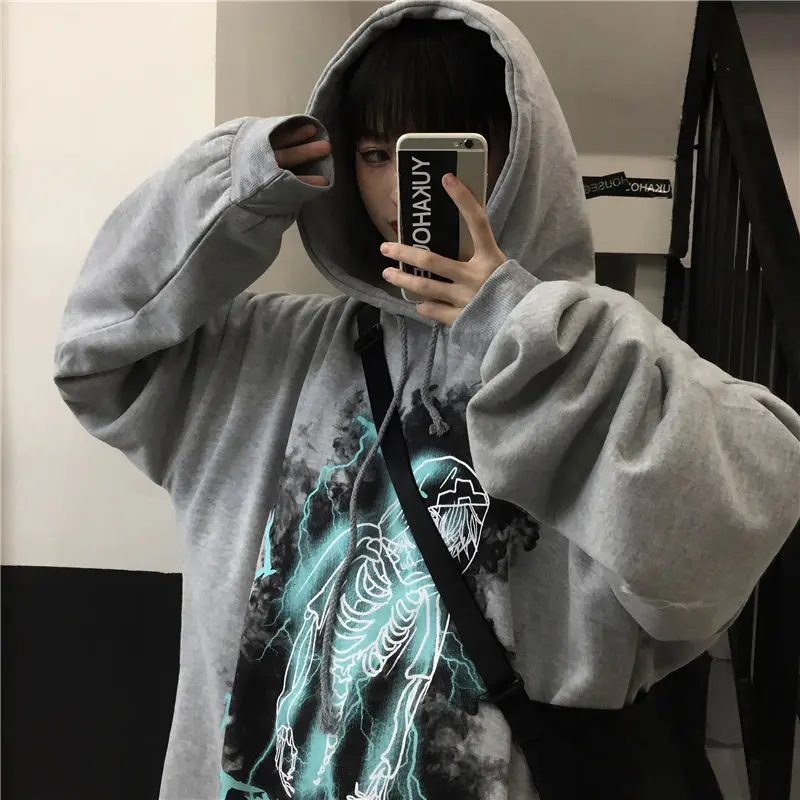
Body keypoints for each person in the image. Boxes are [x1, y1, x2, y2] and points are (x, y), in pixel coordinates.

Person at [54, 1, 800, 798]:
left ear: (517, 156)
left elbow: (734, 522)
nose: (407, 185)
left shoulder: (589, 347)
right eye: (377, 153)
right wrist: (235, 179)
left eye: (448, 150)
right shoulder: (270, 352)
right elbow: (96, 354)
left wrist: (520, 326)